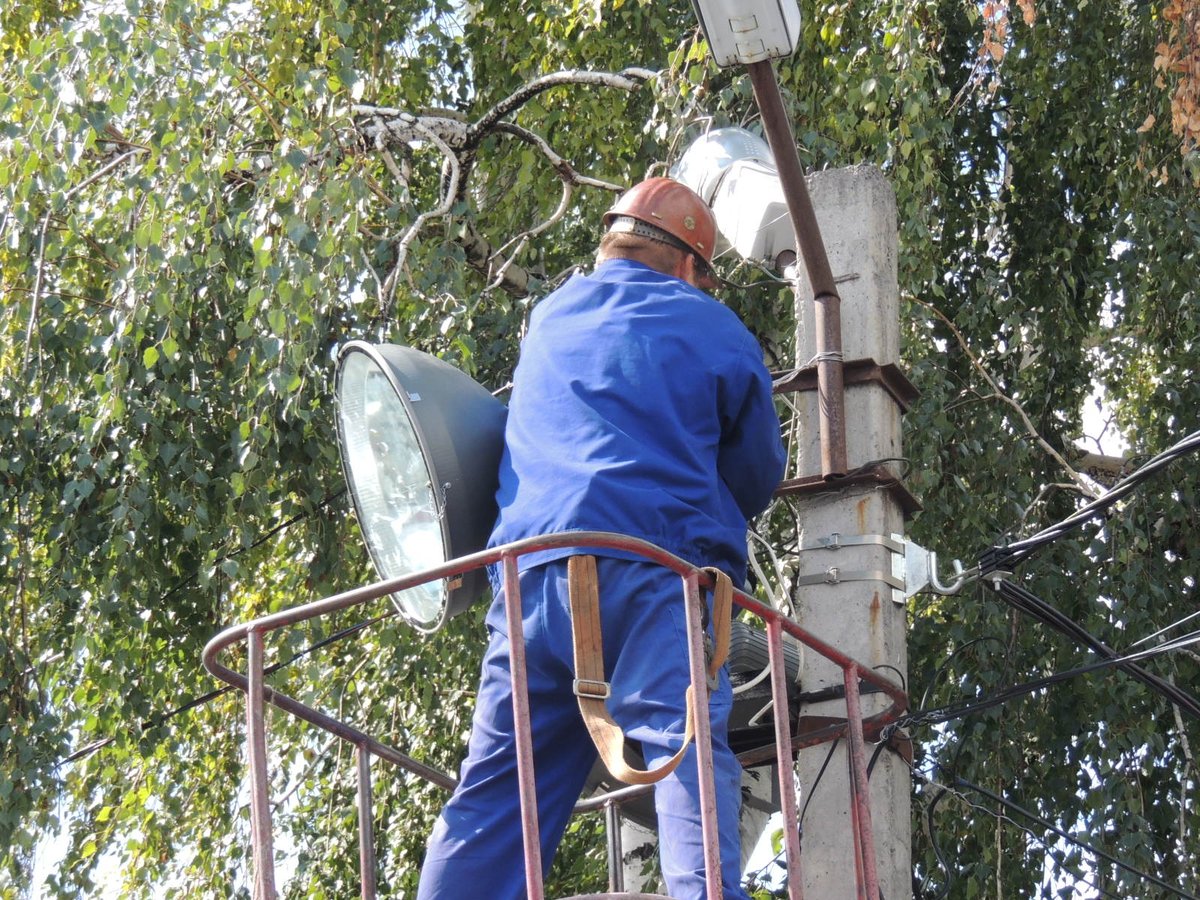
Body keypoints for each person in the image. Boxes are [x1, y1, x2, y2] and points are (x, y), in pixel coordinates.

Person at [417, 177, 786, 899]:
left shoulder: (550, 317)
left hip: (529, 581)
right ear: (688, 265)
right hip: (651, 577)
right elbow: (756, 471)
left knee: (499, 788)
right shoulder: (712, 327)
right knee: (683, 751)